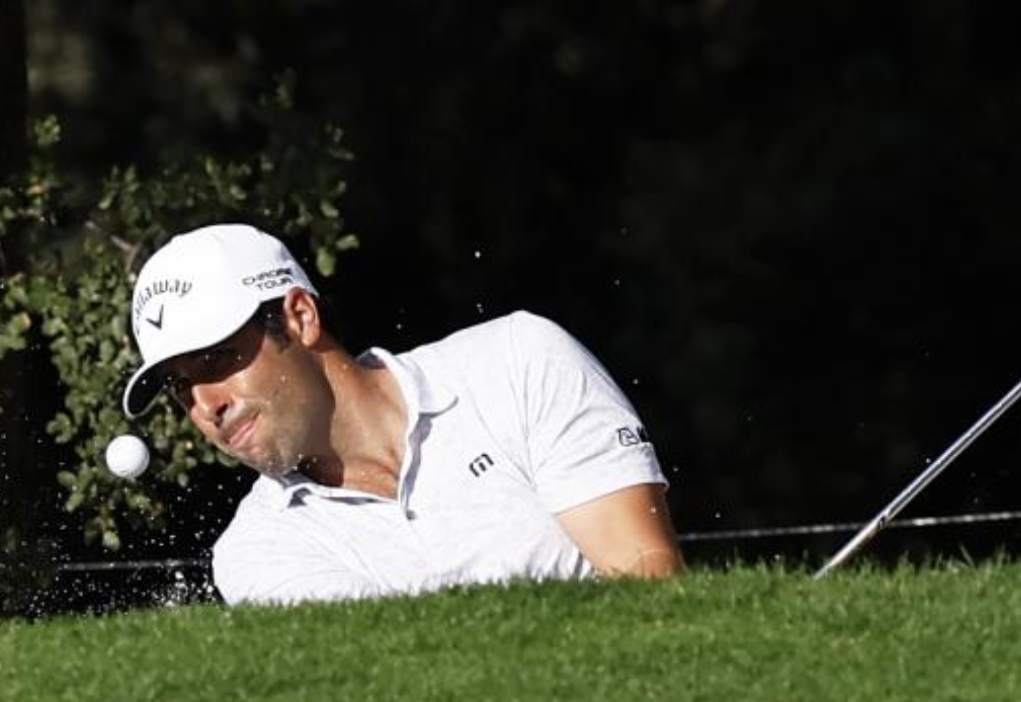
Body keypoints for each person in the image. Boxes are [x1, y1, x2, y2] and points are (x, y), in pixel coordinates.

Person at [121, 223, 683, 605]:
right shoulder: (256, 553)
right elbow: (401, 691)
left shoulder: (518, 361)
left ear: (298, 316)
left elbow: (649, 587)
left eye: (218, 359)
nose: (205, 406)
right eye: (181, 387)